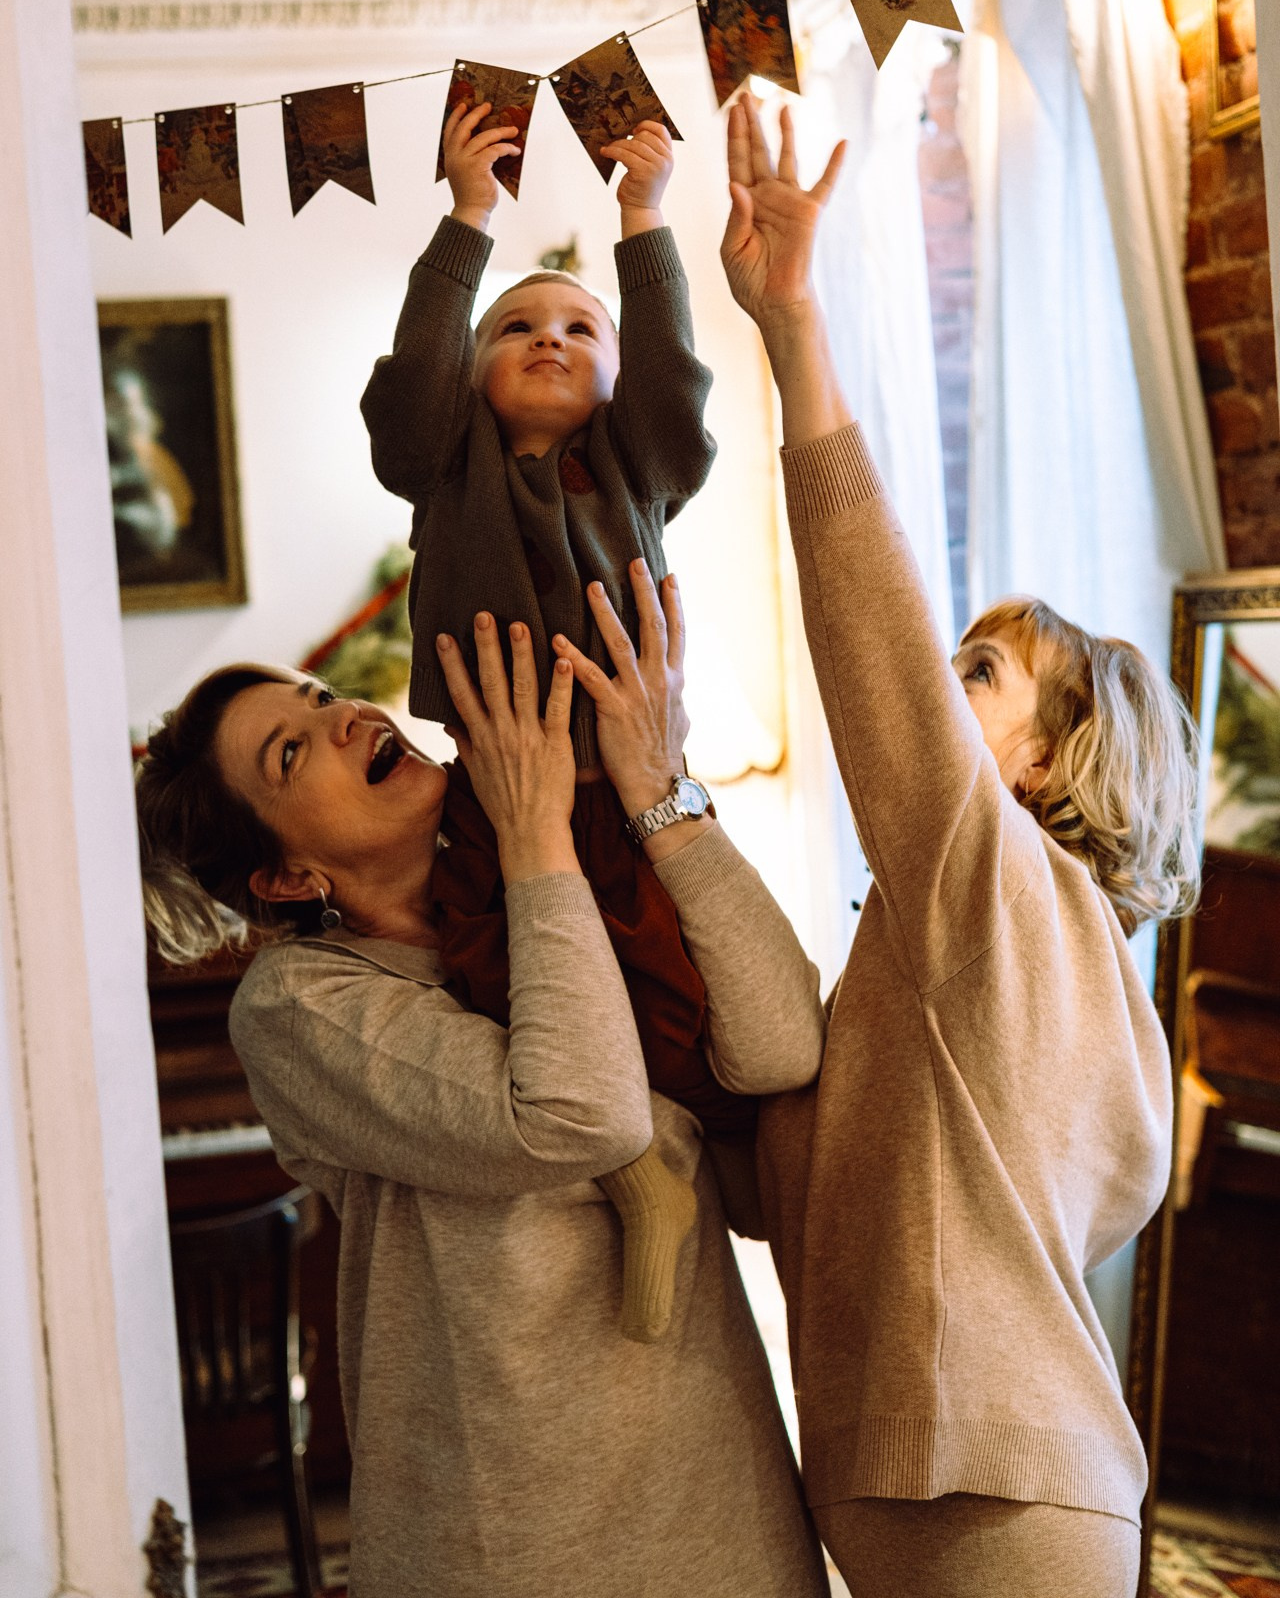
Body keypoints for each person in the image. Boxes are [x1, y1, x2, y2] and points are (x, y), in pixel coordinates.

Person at [719, 93, 1196, 1598]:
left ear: (1044, 762)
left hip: (995, 1500)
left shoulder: (997, 890)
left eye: (979, 676)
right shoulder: (1035, 963)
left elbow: (868, 620)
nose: (939, 686)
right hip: (973, 1492)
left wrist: (794, 327)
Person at [134, 567, 829, 1598]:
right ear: (287, 878)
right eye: (291, 751)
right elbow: (574, 1115)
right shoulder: (295, 1005)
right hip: (509, 1537)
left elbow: (782, 1049)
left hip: (717, 1499)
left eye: (323, 700)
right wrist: (535, 831)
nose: (342, 720)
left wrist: (657, 796)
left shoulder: (545, 888)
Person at [361, 99, 736, 1342]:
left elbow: (678, 385)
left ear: (615, 380)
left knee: (661, 976)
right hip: (491, 781)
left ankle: (674, 1154)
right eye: (515, 327)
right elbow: (407, 392)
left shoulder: (636, 466)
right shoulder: (444, 463)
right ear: (471, 376)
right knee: (494, 971)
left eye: (581, 329)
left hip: (622, 784)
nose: (548, 339)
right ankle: (623, 1168)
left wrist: (646, 221)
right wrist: (466, 218)